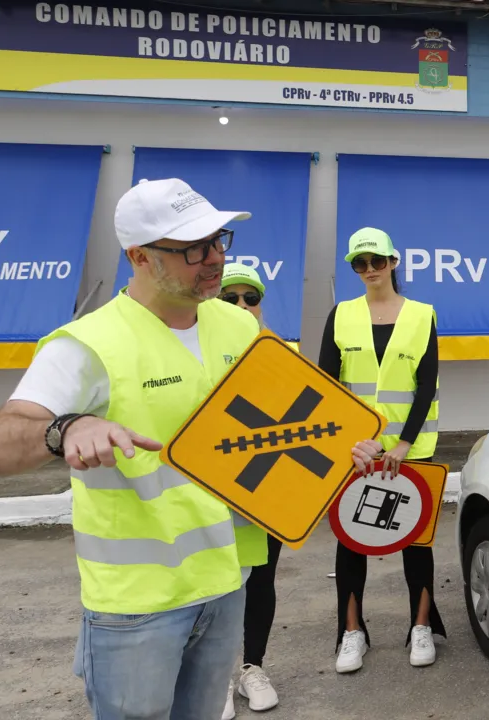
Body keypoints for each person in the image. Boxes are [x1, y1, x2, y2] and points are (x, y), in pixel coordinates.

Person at [0, 178, 385, 720]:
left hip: (225, 581)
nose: (214, 259)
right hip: (136, 604)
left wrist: (338, 450)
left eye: (218, 240)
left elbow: (282, 432)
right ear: (138, 256)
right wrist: (65, 429)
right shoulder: (88, 344)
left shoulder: (238, 324)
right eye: (193, 248)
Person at [318, 227, 445, 673]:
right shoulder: (341, 315)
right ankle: (352, 632)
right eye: (360, 263)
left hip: (412, 450)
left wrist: (404, 443)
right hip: (356, 453)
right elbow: (327, 389)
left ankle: (422, 626)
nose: (369, 270)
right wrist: (353, 442)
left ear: (393, 261)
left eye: (376, 261)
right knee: (352, 542)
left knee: (416, 541)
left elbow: (426, 385)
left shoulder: (422, 314)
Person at [217, 263, 281, 718]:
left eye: (250, 298)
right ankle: (216, 677)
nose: (242, 306)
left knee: (260, 580)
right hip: (212, 489)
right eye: (230, 298)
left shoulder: (278, 350)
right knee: (217, 585)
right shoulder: (193, 350)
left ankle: (251, 668)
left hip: (268, 486)